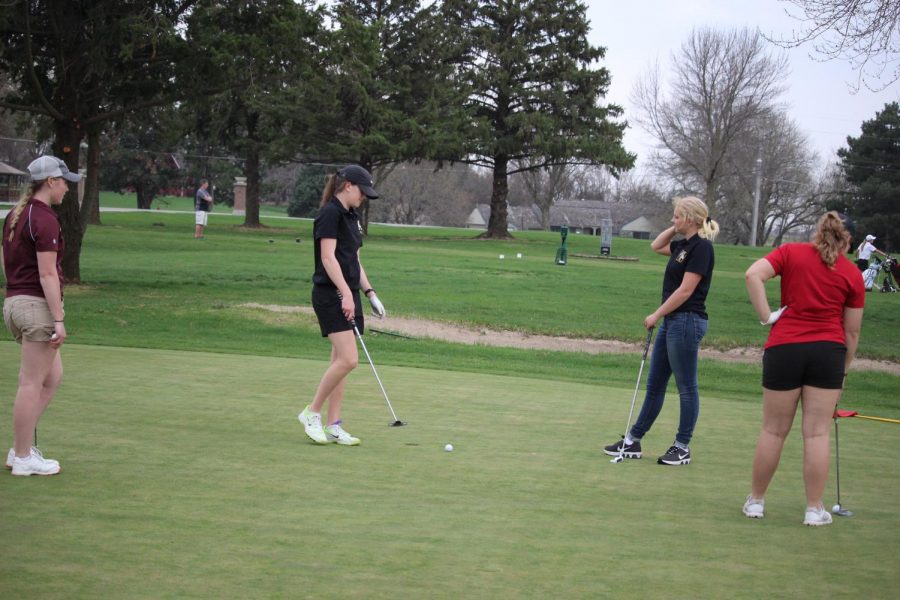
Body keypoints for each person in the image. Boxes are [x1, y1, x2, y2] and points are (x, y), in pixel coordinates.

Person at [742, 212, 864, 526]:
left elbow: (753, 275)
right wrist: (844, 370)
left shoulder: (791, 252)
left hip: (784, 348)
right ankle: (813, 508)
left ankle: (756, 502)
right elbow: (851, 333)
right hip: (828, 353)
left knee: (773, 429)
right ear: (847, 241)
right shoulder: (851, 274)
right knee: (816, 433)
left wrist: (767, 315)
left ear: (817, 232)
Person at [604, 196, 719, 466]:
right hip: (672, 321)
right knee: (655, 384)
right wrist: (677, 228)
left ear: (691, 219)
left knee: (686, 386)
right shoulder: (684, 245)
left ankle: (682, 446)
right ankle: (632, 440)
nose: (672, 220)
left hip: (687, 321)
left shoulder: (702, 248)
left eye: (677, 216)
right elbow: (656, 245)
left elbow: (686, 290)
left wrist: (657, 313)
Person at [2, 156, 80, 476]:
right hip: (35, 307)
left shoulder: (16, 215)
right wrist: (58, 319)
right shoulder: (44, 218)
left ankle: (19, 448)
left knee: (51, 378)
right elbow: (48, 274)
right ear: (50, 182)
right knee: (32, 382)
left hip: (16, 304)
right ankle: (22, 457)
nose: (66, 188)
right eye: (63, 182)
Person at [298, 165, 386, 446]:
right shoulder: (329, 214)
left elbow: (353, 260)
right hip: (330, 294)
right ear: (348, 185)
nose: (364, 197)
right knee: (349, 359)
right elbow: (328, 258)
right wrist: (345, 293)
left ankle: (334, 424)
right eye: (362, 191)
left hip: (350, 294)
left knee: (340, 362)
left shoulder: (352, 217)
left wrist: (369, 292)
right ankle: (311, 413)